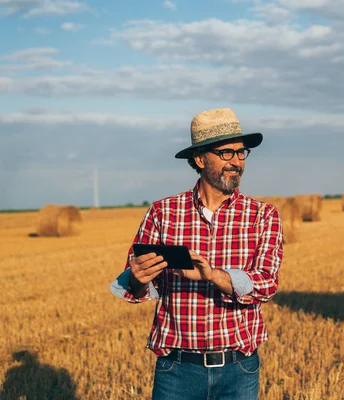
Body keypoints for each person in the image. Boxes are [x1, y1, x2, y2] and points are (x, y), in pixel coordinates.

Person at [110, 108, 283, 400]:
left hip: (238, 369)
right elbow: (137, 288)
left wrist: (213, 276)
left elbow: (266, 284)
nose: (237, 162)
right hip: (176, 371)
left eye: (242, 154)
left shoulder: (263, 215)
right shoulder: (163, 213)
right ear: (200, 159)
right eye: (227, 153)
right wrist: (138, 278)